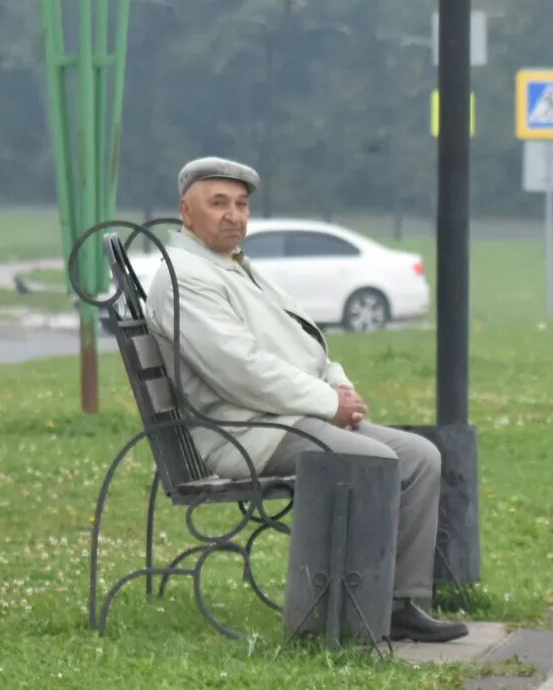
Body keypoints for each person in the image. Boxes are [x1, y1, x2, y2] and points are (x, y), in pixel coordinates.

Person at [152, 157, 465, 644]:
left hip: (291, 418)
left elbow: (303, 338)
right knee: (376, 461)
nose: (234, 215)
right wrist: (326, 402)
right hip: (246, 434)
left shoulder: (235, 267)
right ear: (186, 212)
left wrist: (339, 388)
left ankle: (399, 604)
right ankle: (342, 617)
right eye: (219, 204)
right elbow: (240, 371)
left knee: (420, 458)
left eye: (241, 204)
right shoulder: (187, 278)